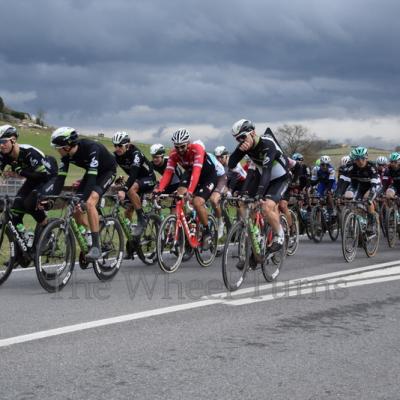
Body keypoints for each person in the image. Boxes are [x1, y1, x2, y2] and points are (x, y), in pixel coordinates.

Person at [50, 127, 117, 260]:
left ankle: (96, 246)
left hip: (107, 172)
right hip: (92, 173)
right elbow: (60, 179)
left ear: (67, 146)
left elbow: (92, 179)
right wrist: (51, 198)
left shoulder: (91, 148)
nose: (57, 150)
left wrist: (83, 199)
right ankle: (92, 232)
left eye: (58, 147)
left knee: (89, 202)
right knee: (75, 209)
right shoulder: (66, 156)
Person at [228, 119, 290, 251]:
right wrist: (239, 151)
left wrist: (260, 194)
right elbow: (231, 164)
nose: (241, 141)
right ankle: (256, 239)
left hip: (280, 178)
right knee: (244, 204)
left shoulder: (267, 144)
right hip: (263, 177)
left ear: (253, 133)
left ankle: (279, 235)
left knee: (266, 207)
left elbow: (267, 172)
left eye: (243, 137)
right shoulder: (245, 146)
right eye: (238, 139)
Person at [154, 129, 217, 248]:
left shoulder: (197, 149)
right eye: (177, 147)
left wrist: (191, 191)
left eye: (182, 146)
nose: (180, 150)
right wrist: (159, 190)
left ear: (188, 143)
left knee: (197, 202)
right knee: (179, 194)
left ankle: (207, 230)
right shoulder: (173, 154)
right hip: (189, 173)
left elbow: (197, 172)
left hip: (208, 176)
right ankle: (187, 224)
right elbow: (168, 173)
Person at [0, 124, 57, 243]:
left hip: (48, 177)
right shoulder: (4, 155)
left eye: (4, 141)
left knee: (30, 203)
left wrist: (21, 171)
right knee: (15, 208)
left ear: (13, 140)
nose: (1, 145)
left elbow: (42, 175)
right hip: (33, 178)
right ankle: (23, 246)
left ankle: (49, 235)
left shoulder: (28, 152)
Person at [112, 132, 156, 236]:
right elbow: (106, 168)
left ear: (127, 145)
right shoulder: (116, 155)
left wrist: (123, 190)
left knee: (130, 189)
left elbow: (133, 175)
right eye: (115, 145)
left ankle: (141, 219)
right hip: (136, 181)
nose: (117, 148)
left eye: (119, 146)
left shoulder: (136, 154)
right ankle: (132, 237)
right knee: (128, 211)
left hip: (148, 179)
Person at [340, 147, 380, 234]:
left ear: (366, 158)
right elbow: (344, 182)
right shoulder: (351, 167)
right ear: (354, 160)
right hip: (360, 186)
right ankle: (357, 222)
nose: (360, 161)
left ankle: (371, 224)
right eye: (357, 159)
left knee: (367, 199)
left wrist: (370, 197)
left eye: (362, 158)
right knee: (352, 199)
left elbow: (374, 184)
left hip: (372, 185)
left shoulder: (372, 167)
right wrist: (339, 193)